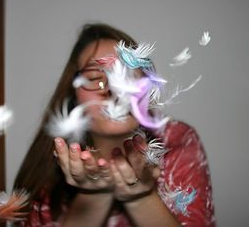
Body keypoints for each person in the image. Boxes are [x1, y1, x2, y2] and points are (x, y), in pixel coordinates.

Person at [14, 23, 215, 226]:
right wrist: (95, 193)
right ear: (74, 98)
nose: (114, 90)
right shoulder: (47, 175)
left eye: (128, 76)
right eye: (94, 78)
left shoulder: (176, 141)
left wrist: (140, 196)